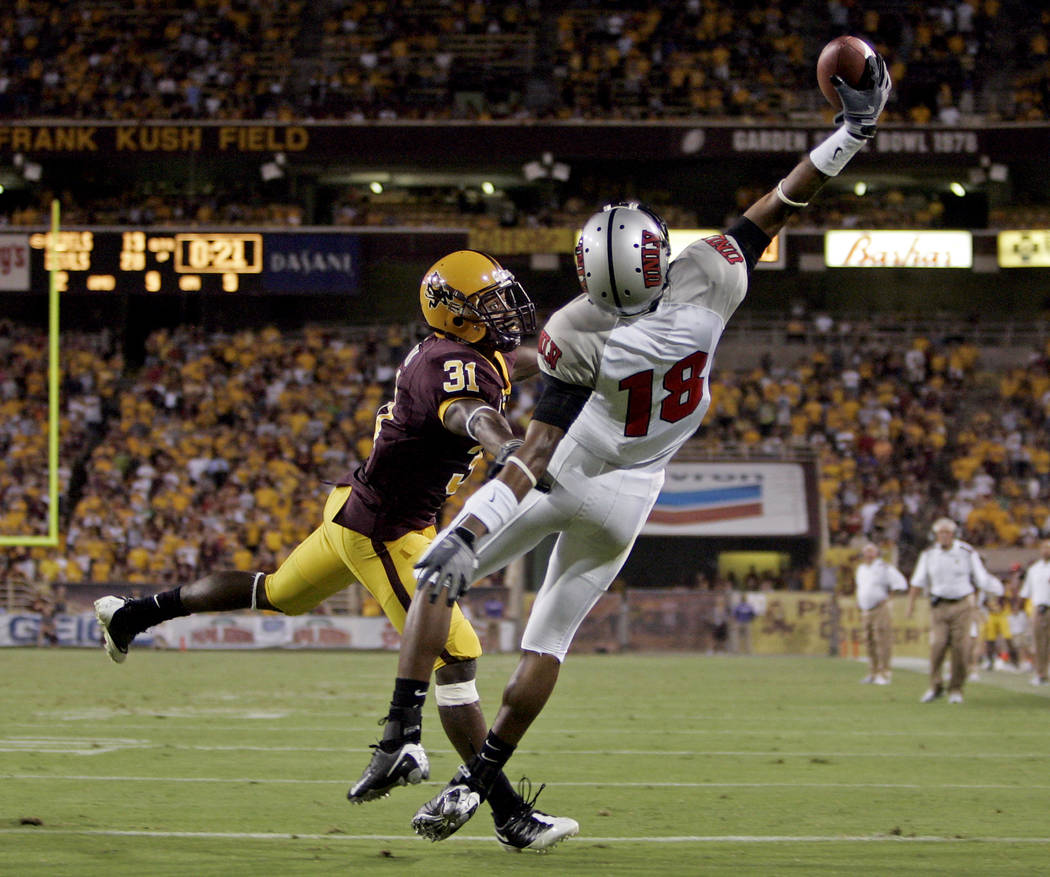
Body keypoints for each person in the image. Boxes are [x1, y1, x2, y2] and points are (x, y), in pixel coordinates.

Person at [350, 50, 893, 844]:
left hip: (572, 465)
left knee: (441, 577)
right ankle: (477, 778)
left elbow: (534, 449)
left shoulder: (576, 326)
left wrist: (471, 528)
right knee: (550, 639)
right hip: (636, 492)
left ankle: (400, 731)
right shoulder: (712, 272)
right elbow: (782, 200)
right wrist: (853, 131)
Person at [93, 251, 577, 850]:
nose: (505, 311)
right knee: (459, 657)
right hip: (386, 532)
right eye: (490, 303)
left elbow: (514, 365)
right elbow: (469, 412)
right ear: (455, 314)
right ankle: (500, 809)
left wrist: (574, 357)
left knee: (273, 592)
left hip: (353, 511)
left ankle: (134, 614)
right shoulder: (452, 367)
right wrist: (509, 447)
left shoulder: (465, 353)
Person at [907, 518, 1004, 704]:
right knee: (938, 645)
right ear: (935, 536)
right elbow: (917, 581)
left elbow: (981, 578)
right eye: (940, 533)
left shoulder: (966, 552)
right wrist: (911, 604)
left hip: (962, 604)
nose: (944, 536)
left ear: (954, 534)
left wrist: (992, 592)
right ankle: (935, 686)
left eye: (947, 533)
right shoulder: (928, 554)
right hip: (939, 605)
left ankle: (956, 688)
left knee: (961, 648)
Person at [854, 542, 908, 685]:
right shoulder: (861, 569)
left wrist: (889, 598)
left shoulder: (884, 567)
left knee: (882, 640)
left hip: (880, 608)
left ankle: (884, 673)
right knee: (869, 641)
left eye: (872, 552)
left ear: (877, 554)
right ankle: (873, 672)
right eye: (867, 552)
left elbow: (900, 583)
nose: (869, 555)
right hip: (866, 609)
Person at [1019, 538, 1050, 685]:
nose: (1046, 550)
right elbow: (1026, 593)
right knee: (1039, 643)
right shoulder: (1034, 570)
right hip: (1039, 609)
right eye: (1044, 548)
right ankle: (1041, 673)